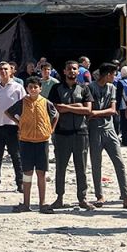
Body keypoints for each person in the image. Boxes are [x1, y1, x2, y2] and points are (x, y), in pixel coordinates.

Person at [6, 75, 57, 212]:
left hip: (42, 141)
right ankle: (26, 203)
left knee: (41, 173)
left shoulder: (46, 102)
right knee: (27, 172)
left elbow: (56, 115)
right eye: (30, 87)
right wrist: (19, 124)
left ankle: (43, 203)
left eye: (36, 87)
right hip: (26, 141)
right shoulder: (22, 102)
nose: (33, 89)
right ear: (26, 88)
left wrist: (51, 129)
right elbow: (8, 112)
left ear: (40, 88)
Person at [50, 61, 92, 210]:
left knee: (81, 167)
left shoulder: (84, 88)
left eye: (74, 69)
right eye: (69, 69)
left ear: (78, 71)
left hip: (81, 133)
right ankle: (59, 197)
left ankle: (82, 198)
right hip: (62, 133)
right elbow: (55, 108)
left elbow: (88, 110)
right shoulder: (57, 88)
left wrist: (66, 107)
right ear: (64, 71)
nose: (72, 71)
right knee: (61, 167)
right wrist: (77, 107)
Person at [87, 63, 127, 208]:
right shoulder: (90, 87)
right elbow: (89, 111)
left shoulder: (112, 88)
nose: (115, 76)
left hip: (109, 129)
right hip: (94, 130)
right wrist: (97, 113)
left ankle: (126, 197)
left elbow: (112, 110)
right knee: (96, 164)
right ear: (107, 74)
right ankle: (99, 195)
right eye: (113, 74)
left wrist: (96, 113)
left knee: (120, 163)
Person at [0, 61, 24, 193]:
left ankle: (20, 183)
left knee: (16, 156)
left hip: (13, 127)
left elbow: (24, 108)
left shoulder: (18, 87)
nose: (3, 71)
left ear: (11, 71)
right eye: (0, 69)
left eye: (6, 69)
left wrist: (22, 126)